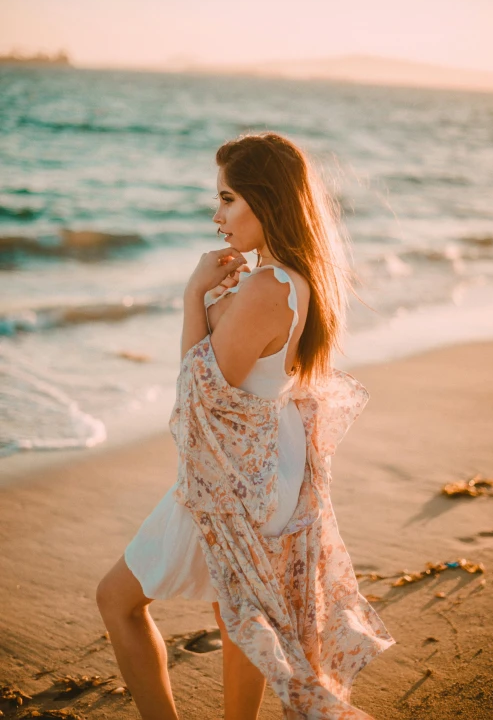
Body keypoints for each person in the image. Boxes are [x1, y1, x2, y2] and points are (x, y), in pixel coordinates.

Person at [96, 132, 395, 720]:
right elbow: (236, 376)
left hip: (237, 479)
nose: (217, 216)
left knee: (117, 601)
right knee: (237, 608)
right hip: (267, 468)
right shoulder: (292, 280)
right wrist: (216, 311)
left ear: (266, 199)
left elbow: (198, 397)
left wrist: (192, 299)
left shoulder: (264, 286)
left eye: (228, 199)